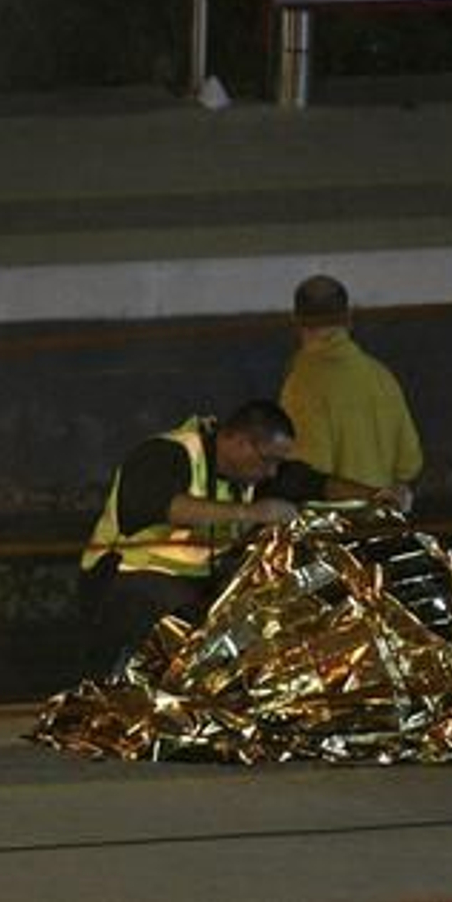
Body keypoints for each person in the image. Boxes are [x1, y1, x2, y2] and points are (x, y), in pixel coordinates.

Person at [77, 399, 407, 681]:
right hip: (124, 580)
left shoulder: (251, 474)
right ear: (239, 443)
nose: (272, 473)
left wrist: (376, 495)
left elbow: (313, 483)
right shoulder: (165, 453)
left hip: (197, 583)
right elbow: (162, 505)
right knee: (190, 624)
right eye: (269, 460)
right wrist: (251, 514)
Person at [279, 274, 423, 499]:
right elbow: (409, 463)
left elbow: (308, 475)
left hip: (332, 528)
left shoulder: (302, 385)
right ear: (348, 319)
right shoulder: (380, 376)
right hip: (383, 517)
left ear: (297, 322)